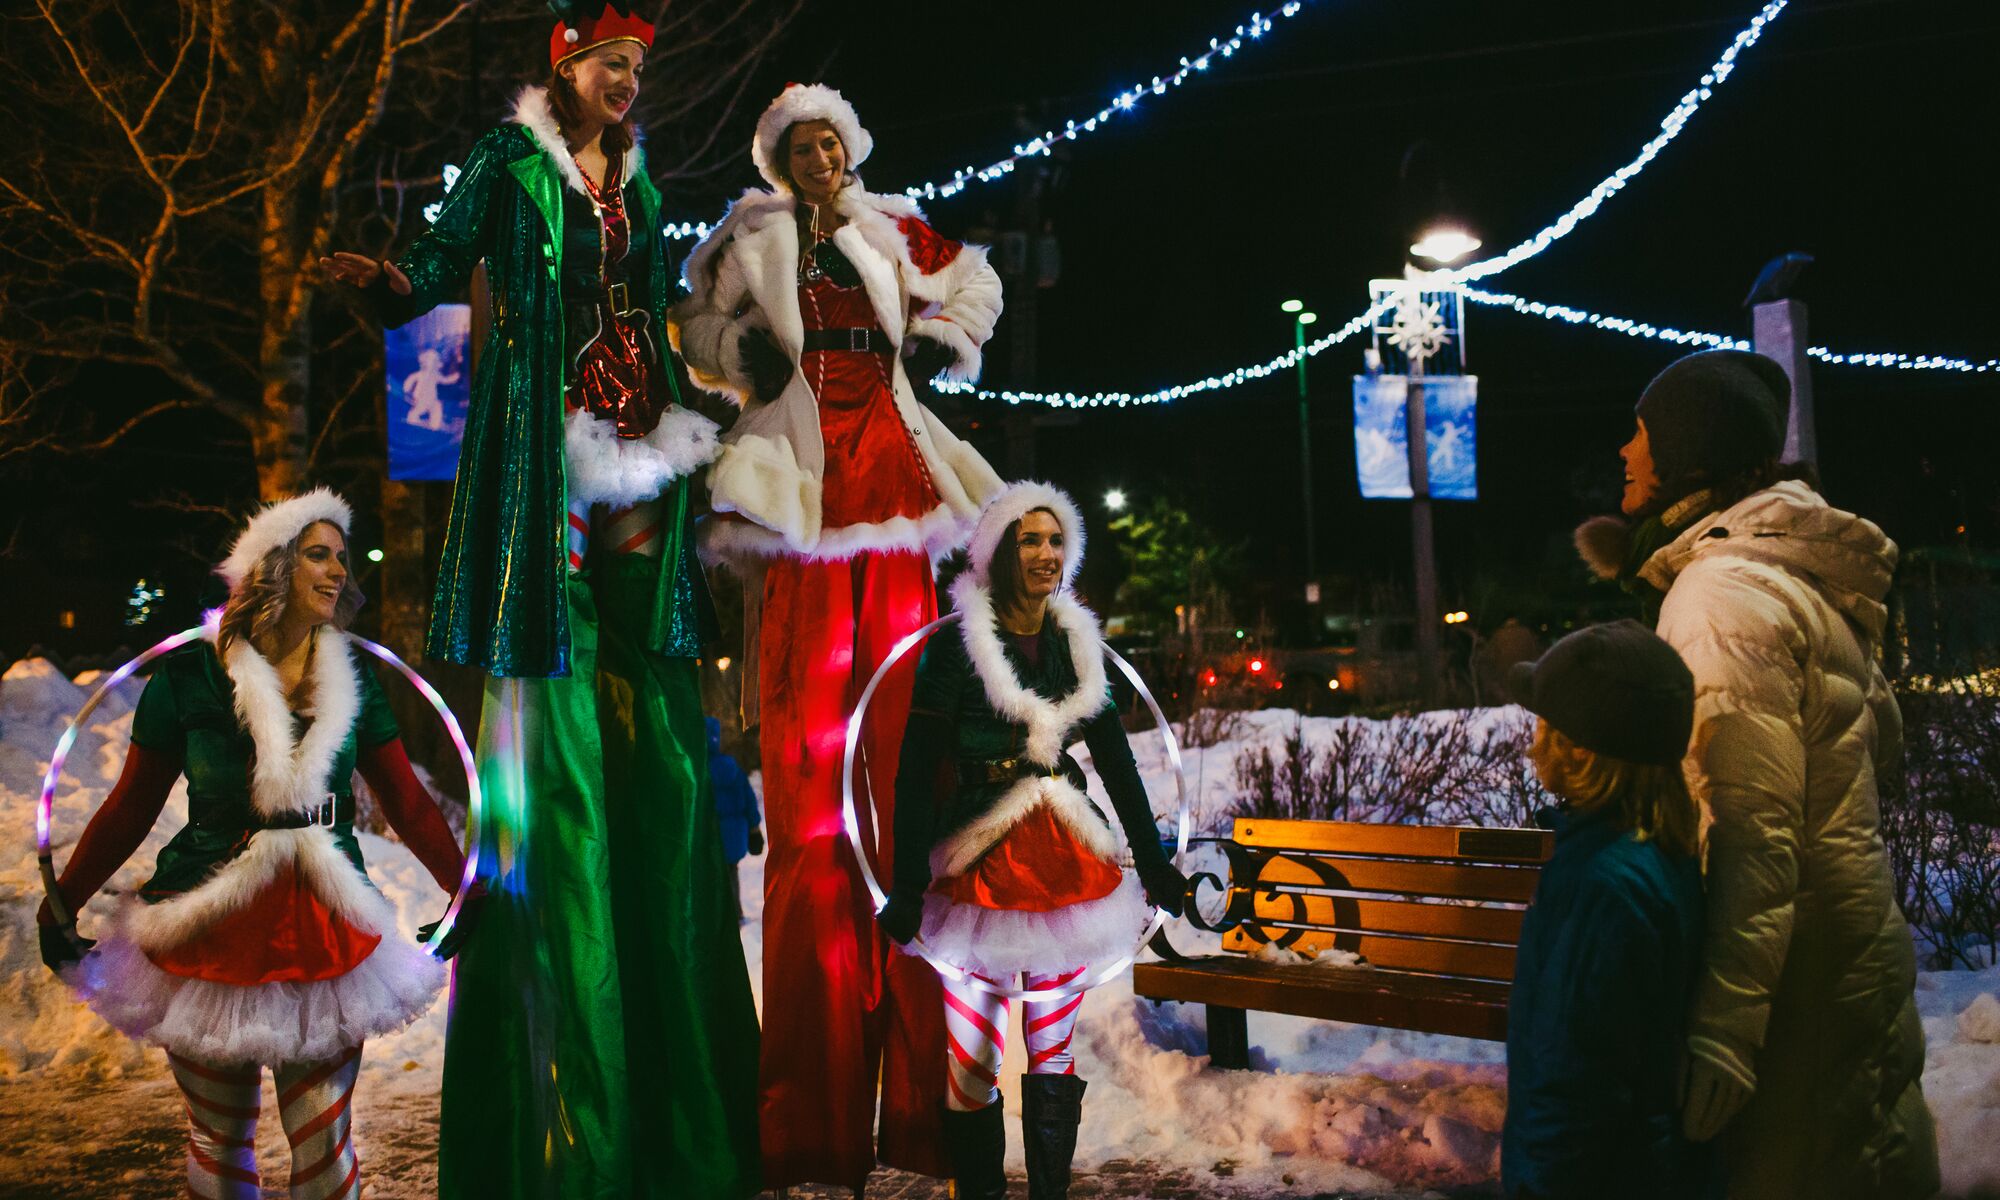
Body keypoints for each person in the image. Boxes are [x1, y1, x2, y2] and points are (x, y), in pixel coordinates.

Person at [320, 5, 761, 1196]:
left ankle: (675, 1063)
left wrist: (709, 401)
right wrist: (382, 284)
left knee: (649, 695)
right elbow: (430, 261)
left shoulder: (645, 179)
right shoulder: (508, 163)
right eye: (608, 65)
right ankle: (577, 1075)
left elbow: (656, 304)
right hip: (544, 444)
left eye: (635, 69)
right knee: (555, 679)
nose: (626, 83)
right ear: (564, 69)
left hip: (638, 444)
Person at [671, 82, 1006, 1189]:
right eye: (798, 144)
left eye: (830, 139)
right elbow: (695, 323)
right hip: (807, 476)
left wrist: (942, 332)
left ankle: (921, 1122)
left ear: (847, 148)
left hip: (899, 470)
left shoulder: (892, 222)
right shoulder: (749, 232)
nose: (817, 156)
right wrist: (739, 360)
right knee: (816, 795)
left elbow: (975, 275)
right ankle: (810, 1126)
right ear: (777, 157)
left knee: (910, 767)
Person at [35, 489, 467, 1200]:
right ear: (271, 566)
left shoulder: (353, 680)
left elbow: (409, 803)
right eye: (317, 555)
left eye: (342, 558)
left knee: (325, 1151)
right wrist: (61, 902)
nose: (338, 572)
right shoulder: (187, 675)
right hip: (204, 931)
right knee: (217, 1143)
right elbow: (128, 807)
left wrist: (465, 890)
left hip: (326, 936)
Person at [1578, 349, 1940, 1199]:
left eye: (1641, 437)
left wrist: (1725, 1031)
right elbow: (1866, 756)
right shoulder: (1792, 582)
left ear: (1686, 457)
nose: (1625, 455)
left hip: (1793, 993)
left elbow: (1749, 829)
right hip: (1847, 950)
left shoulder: (1720, 600)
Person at [877, 482, 1187, 1200]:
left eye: (1057, 541)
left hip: (1065, 864)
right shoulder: (958, 648)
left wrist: (1155, 860)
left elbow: (1113, 755)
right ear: (997, 551)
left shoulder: (1079, 645)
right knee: (973, 1054)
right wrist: (903, 880)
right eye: (1030, 540)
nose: (1047, 554)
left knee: (1052, 1049)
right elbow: (916, 769)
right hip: (976, 861)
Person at [1499, 620, 1715, 1200]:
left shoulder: (1597, 886)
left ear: (1580, 749)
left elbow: (1572, 1078)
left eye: (1544, 726)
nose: (1531, 743)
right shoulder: (1654, 852)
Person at [708, 715, 763, 922]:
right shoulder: (732, 767)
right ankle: (736, 911)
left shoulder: (699, 771)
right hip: (735, 831)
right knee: (732, 870)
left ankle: (720, 914)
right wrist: (754, 826)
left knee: (714, 873)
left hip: (714, 833)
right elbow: (748, 798)